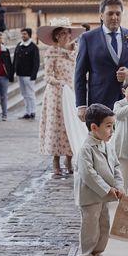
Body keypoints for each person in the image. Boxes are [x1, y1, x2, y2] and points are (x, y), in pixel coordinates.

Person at [74, 0, 128, 120]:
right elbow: (80, 74)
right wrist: (81, 105)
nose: (114, 17)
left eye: (118, 13)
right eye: (110, 13)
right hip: (99, 100)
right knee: (102, 139)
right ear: (101, 15)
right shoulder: (88, 38)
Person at [74, 103, 124, 256]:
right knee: (90, 227)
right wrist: (106, 189)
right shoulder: (86, 149)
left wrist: (118, 186)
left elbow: (116, 167)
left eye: (113, 126)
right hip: (90, 197)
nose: (112, 130)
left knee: (104, 226)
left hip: (104, 197)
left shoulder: (107, 146)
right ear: (94, 127)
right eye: (109, 126)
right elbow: (88, 174)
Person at [38, 22, 83, 176]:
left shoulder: (76, 51)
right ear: (56, 36)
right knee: (57, 127)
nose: (65, 36)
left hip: (73, 93)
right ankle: (56, 160)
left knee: (72, 125)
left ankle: (69, 159)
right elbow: (48, 75)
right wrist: (60, 83)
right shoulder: (51, 52)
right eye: (62, 33)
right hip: (56, 94)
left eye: (67, 33)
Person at [13, 28, 41, 120]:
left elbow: (36, 62)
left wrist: (33, 75)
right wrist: (13, 71)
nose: (23, 36)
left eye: (24, 34)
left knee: (30, 94)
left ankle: (33, 112)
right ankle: (27, 112)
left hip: (29, 75)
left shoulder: (33, 47)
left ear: (29, 35)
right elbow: (15, 60)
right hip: (20, 74)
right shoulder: (19, 45)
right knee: (24, 94)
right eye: (22, 34)